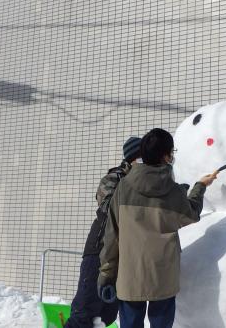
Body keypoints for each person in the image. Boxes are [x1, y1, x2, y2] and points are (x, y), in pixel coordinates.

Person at [97, 128, 217, 328]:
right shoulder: (173, 190)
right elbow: (191, 213)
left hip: (130, 276)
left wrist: (106, 274)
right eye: (172, 152)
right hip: (163, 276)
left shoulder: (123, 187)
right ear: (166, 156)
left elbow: (112, 235)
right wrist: (200, 186)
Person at [63, 137, 142, 328]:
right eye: (142, 157)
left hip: (123, 257)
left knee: (106, 315)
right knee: (85, 311)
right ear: (134, 158)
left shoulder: (144, 181)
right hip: (100, 251)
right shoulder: (114, 178)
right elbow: (109, 208)